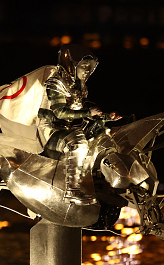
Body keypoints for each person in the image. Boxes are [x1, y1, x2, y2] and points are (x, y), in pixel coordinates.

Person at [38, 45, 119, 205]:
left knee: (101, 136)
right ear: (72, 65)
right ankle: (72, 190)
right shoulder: (56, 83)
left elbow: (82, 108)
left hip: (69, 128)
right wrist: (88, 113)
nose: (87, 70)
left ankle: (95, 183)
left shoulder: (79, 86)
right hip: (50, 132)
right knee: (79, 143)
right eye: (83, 66)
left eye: (90, 67)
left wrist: (105, 117)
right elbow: (59, 113)